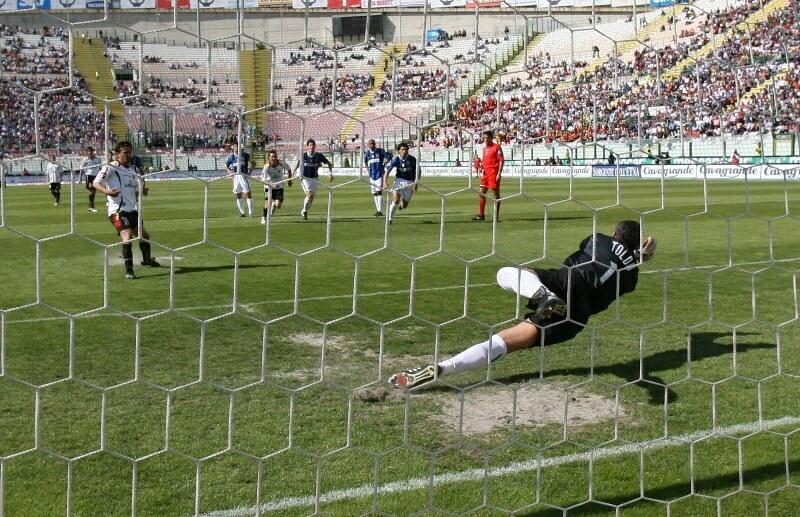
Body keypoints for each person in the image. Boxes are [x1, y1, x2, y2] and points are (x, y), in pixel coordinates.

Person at [389, 220, 657, 388]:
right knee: (504, 343)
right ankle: (445, 368)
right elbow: (618, 269)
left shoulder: (599, 238)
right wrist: (637, 259)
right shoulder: (632, 277)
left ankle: (543, 294)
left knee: (506, 273)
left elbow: (592, 251)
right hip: (577, 316)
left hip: (565, 282)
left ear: (614, 232)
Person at [92, 141, 161, 280]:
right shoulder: (111, 167)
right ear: (118, 154)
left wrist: (142, 191)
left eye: (130, 152)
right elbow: (95, 182)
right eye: (125, 152)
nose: (128, 155)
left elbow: (135, 191)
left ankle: (147, 260)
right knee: (127, 235)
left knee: (144, 236)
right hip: (117, 210)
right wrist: (107, 191)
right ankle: (129, 270)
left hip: (132, 209)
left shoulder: (133, 170)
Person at [293, 138, 333, 220]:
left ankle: (304, 210)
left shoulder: (319, 156)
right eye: (310, 145)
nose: (312, 147)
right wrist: (292, 173)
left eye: (313, 145)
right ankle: (304, 212)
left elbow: (329, 163)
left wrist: (330, 173)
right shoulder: (304, 155)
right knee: (309, 195)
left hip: (315, 179)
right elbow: (298, 163)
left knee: (311, 198)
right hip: (305, 178)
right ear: (307, 146)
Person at [382, 142, 418, 225]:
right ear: (399, 151)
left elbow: (418, 172)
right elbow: (387, 172)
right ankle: (389, 219)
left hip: (410, 182)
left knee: (404, 205)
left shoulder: (412, 159)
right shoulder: (396, 160)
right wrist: (384, 182)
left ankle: (401, 206)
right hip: (399, 181)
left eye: (406, 149)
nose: (404, 151)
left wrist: (416, 183)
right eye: (402, 149)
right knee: (396, 200)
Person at [472, 130, 504, 221]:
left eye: (487, 138)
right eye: (484, 138)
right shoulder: (484, 149)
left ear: (491, 138)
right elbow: (485, 160)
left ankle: (496, 216)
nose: (485, 139)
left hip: (493, 173)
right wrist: (481, 166)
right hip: (485, 173)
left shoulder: (497, 147)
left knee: (495, 194)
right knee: (481, 193)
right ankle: (481, 215)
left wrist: (499, 173)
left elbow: (501, 160)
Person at [260, 149, 292, 224]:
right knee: (268, 202)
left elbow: (289, 169)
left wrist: (289, 180)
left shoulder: (282, 163)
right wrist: (271, 184)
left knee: (278, 206)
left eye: (275, 156)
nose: (274, 158)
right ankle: (264, 217)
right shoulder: (266, 166)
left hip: (279, 185)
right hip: (268, 186)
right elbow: (263, 179)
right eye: (272, 157)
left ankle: (274, 205)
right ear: (269, 158)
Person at [363, 138, 390, 217]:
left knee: (379, 192)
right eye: (370, 144)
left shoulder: (380, 151)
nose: (372, 145)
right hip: (372, 176)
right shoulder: (367, 153)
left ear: (375, 144)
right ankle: (378, 210)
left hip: (379, 174)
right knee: (374, 193)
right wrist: (368, 169)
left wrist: (384, 164)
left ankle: (380, 211)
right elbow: (365, 161)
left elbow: (389, 156)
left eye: (373, 143)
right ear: (368, 145)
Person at [226, 142, 253, 217]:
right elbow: (227, 166)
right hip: (236, 177)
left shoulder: (245, 155)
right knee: (238, 194)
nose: (236, 147)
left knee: (247, 193)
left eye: (237, 146)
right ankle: (242, 212)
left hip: (243, 176)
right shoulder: (231, 157)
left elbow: (253, 162)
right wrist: (230, 172)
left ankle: (251, 213)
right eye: (235, 146)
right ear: (233, 147)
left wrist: (250, 172)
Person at [80, 146, 103, 212]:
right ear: (86, 152)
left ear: (93, 152)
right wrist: (80, 178)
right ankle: (91, 206)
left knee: (93, 191)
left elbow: (100, 168)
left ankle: (91, 206)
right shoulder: (85, 160)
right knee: (91, 191)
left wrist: (101, 176)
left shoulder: (97, 159)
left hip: (96, 177)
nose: (89, 152)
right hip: (89, 176)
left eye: (90, 151)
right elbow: (81, 168)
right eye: (88, 151)